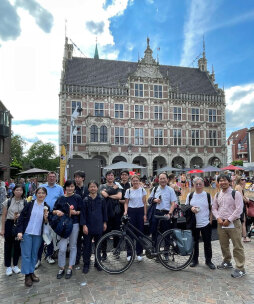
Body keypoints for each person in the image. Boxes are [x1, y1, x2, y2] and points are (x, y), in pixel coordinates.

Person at [212, 174, 246, 278]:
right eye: (220, 181)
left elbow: (239, 209)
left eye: (224, 180)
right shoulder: (217, 195)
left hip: (233, 223)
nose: (222, 182)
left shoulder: (235, 193)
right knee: (223, 244)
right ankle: (227, 261)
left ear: (229, 181)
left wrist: (229, 219)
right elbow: (214, 208)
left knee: (237, 245)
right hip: (221, 223)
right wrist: (217, 217)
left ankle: (240, 268)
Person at [16, 187, 49, 287]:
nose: (41, 195)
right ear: (36, 194)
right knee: (26, 255)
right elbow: (21, 218)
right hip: (27, 232)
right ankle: (27, 275)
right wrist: (20, 231)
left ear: (45, 195)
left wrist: (46, 218)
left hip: (38, 234)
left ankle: (31, 272)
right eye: (39, 193)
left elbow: (47, 223)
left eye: (43, 193)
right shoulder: (30, 204)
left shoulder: (46, 207)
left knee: (34, 254)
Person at [53, 180, 82, 280]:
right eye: (68, 187)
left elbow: (82, 211)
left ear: (74, 187)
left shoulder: (77, 197)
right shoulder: (61, 198)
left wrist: (75, 212)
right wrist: (57, 211)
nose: (70, 188)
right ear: (65, 188)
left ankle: (70, 267)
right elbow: (54, 210)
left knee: (73, 246)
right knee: (62, 248)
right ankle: (61, 267)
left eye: (72, 186)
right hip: (63, 225)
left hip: (74, 224)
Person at [185, 177, 215, 269]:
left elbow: (211, 208)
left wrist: (210, 220)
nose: (198, 186)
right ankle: (195, 260)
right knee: (194, 242)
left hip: (205, 223)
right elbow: (186, 207)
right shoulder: (190, 195)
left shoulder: (207, 195)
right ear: (194, 185)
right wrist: (191, 208)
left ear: (203, 185)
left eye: (200, 184)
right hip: (194, 223)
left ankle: (208, 260)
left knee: (207, 242)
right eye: (196, 184)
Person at [37, 171, 64, 266]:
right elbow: (34, 199)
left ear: (56, 178)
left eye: (53, 177)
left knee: (51, 237)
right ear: (47, 178)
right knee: (41, 236)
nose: (52, 178)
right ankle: (38, 259)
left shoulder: (60, 188)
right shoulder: (42, 187)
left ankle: (49, 255)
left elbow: (62, 201)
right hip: (42, 214)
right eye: (50, 177)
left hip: (54, 215)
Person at [81, 181, 107, 274]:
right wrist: (84, 225)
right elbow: (83, 214)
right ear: (88, 189)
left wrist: (104, 222)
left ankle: (97, 263)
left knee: (98, 246)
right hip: (88, 227)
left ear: (97, 188)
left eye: (94, 187)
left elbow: (104, 212)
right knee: (87, 247)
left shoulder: (101, 199)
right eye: (91, 187)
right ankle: (86, 264)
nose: (93, 188)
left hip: (99, 225)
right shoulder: (85, 200)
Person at [0, 184, 27, 276]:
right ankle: (8, 266)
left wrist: (21, 216)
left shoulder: (25, 202)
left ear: (23, 192)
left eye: (20, 190)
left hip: (19, 225)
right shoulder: (8, 202)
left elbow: (26, 215)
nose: (19, 192)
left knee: (17, 245)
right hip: (9, 223)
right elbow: (3, 216)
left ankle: (15, 265)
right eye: (17, 190)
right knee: (8, 245)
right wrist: (2, 229)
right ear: (13, 191)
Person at [149, 172, 177, 248]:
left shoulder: (171, 190)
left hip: (166, 213)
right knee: (154, 232)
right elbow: (149, 199)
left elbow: (173, 203)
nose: (162, 180)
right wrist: (154, 200)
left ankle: (166, 252)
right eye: (161, 179)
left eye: (164, 178)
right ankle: (154, 249)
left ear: (167, 180)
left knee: (166, 233)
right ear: (158, 180)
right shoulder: (155, 189)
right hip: (156, 212)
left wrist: (170, 213)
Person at [99, 170, 122, 260]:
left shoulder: (118, 186)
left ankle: (116, 251)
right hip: (106, 213)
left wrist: (108, 194)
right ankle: (104, 253)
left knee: (116, 234)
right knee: (104, 233)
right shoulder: (102, 186)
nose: (110, 177)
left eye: (112, 175)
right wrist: (112, 190)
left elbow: (119, 197)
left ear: (114, 177)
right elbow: (103, 195)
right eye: (108, 175)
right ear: (106, 177)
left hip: (116, 213)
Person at [124, 175, 147, 261]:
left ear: (139, 181)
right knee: (129, 233)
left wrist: (145, 214)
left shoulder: (142, 190)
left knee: (139, 233)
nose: (135, 182)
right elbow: (126, 203)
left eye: (137, 180)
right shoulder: (128, 191)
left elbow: (144, 203)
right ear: (131, 181)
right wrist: (125, 211)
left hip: (140, 211)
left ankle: (139, 253)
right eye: (134, 181)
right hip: (131, 211)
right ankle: (129, 253)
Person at [74, 170, 88, 265]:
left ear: (83, 178)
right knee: (77, 240)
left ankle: (87, 259)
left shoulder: (87, 189)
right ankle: (77, 258)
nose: (77, 179)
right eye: (76, 177)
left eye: (79, 177)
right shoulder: (72, 188)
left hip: (86, 218)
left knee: (87, 240)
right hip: (76, 218)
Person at [235, 176, 251, 242]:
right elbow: (241, 196)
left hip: (240, 206)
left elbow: (243, 195)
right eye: (242, 179)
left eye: (244, 179)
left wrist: (246, 198)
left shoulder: (239, 187)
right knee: (243, 222)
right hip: (241, 206)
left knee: (242, 221)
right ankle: (244, 237)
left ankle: (243, 236)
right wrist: (247, 200)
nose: (244, 180)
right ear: (239, 180)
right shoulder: (238, 186)